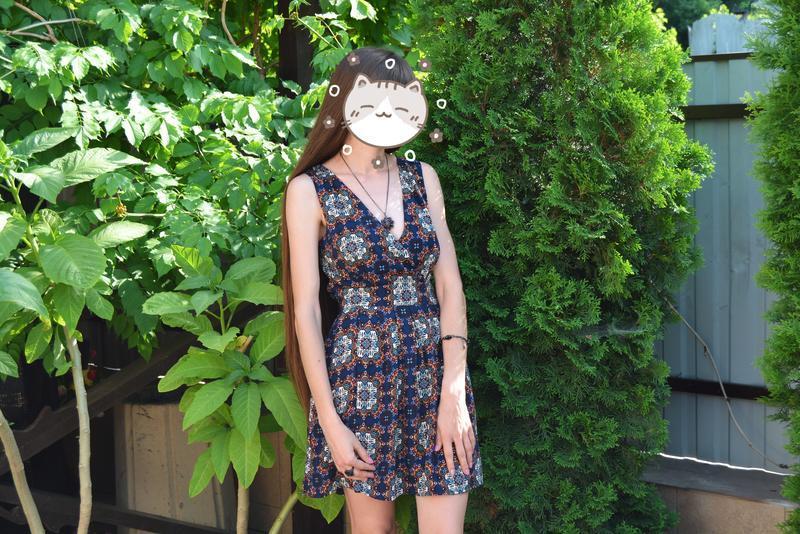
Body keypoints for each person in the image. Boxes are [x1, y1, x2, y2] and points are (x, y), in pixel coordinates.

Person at [281, 46, 484, 534]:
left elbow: (449, 286)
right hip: (360, 383)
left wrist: (454, 391)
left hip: (434, 376)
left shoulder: (423, 179)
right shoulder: (309, 190)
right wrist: (329, 421)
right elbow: (306, 311)